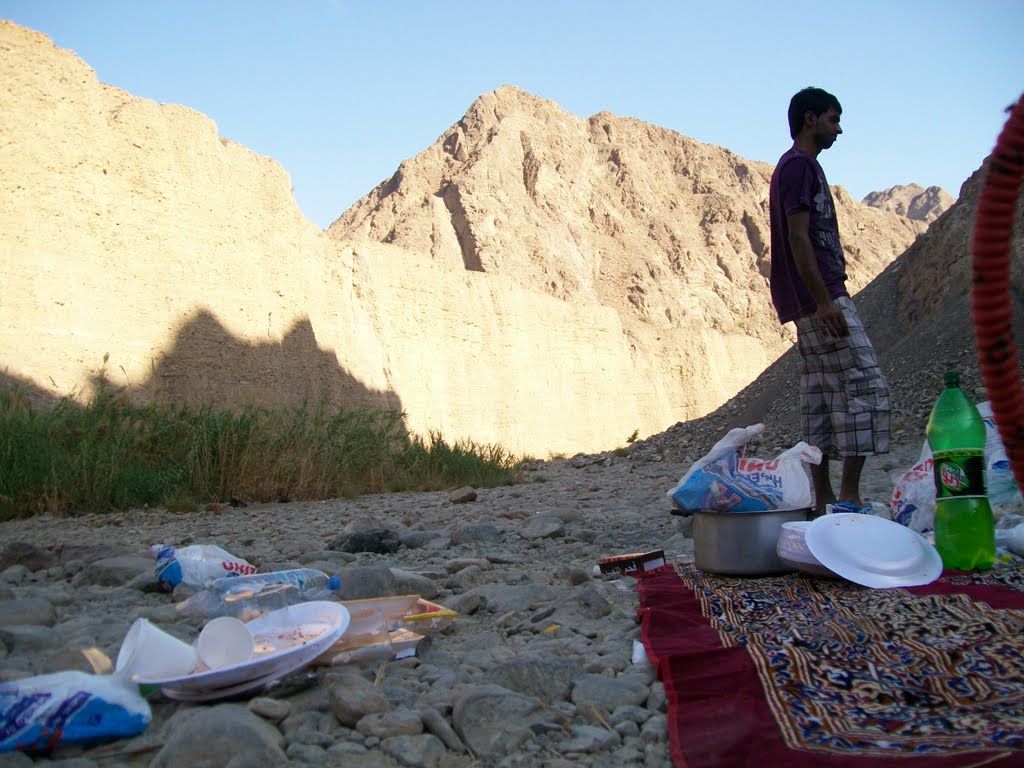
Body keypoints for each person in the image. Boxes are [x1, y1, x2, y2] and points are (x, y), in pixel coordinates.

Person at [768, 86, 891, 515]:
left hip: (805, 302)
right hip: (821, 298)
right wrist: (825, 301)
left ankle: (823, 500)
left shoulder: (793, 168)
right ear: (809, 119)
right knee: (866, 389)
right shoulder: (800, 167)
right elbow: (799, 237)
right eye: (833, 120)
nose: (838, 129)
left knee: (821, 397)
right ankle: (850, 498)